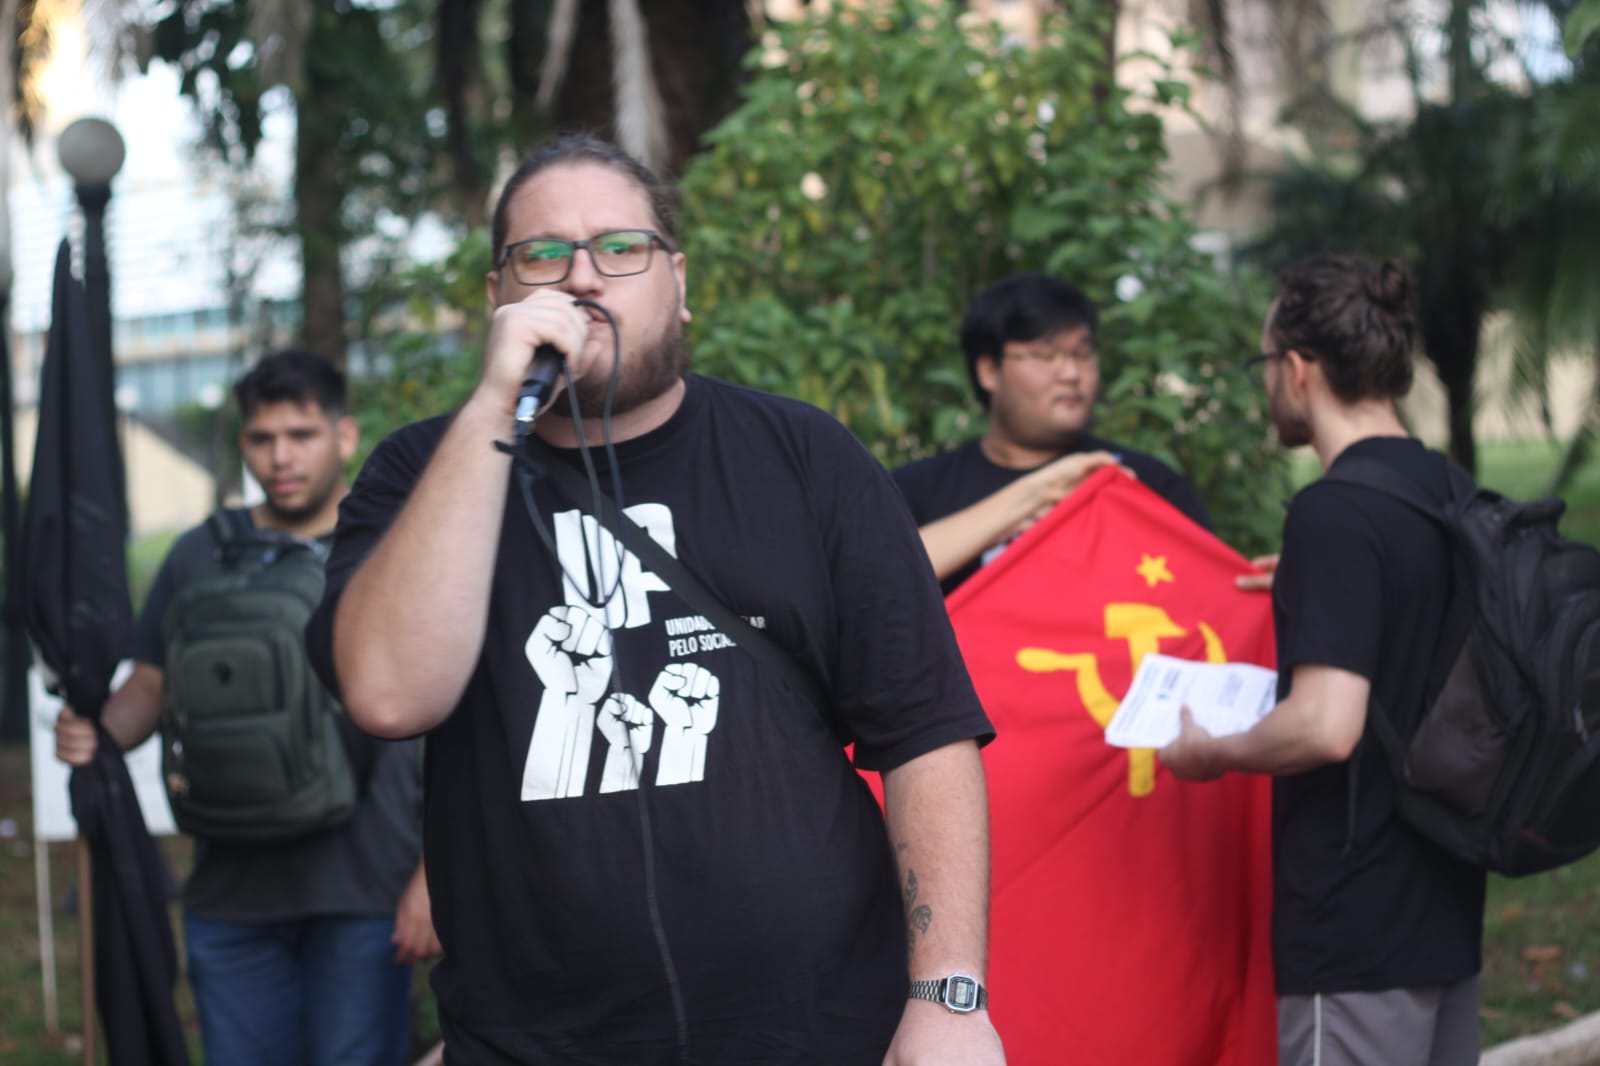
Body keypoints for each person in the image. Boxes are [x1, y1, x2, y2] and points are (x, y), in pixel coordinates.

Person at [303, 135, 1005, 1066]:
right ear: (498, 295)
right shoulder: (419, 473)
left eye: (620, 248)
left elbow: (924, 734)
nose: (582, 278)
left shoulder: (806, 459)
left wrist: (947, 997)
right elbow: (393, 694)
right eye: (542, 255)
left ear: (678, 282)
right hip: (531, 1041)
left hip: (817, 1030)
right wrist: (493, 406)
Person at [55, 349, 436, 1066]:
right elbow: (151, 683)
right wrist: (98, 733)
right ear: (243, 444)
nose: (280, 457)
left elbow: (455, 724)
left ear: (345, 435)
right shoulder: (201, 553)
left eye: (301, 435)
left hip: (364, 890)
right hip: (231, 895)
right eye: (262, 439)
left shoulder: (396, 541)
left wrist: (432, 874)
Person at [1158, 254, 1484, 1066]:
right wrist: (1310, 578)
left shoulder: (1335, 513)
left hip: (1355, 922)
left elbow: (1326, 726)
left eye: (1264, 363)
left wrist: (1211, 753)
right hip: (1446, 905)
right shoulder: (1449, 492)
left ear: (1298, 370)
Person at [891, 273, 1211, 594]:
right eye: (1046, 356)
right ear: (988, 371)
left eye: (1082, 355)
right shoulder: (912, 493)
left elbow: (1210, 596)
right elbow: (873, 584)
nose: (1071, 374)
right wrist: (1034, 496)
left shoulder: (1148, 483)